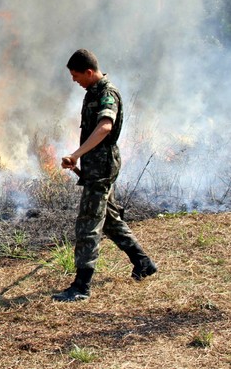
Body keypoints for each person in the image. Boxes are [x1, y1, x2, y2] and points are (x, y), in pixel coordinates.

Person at [53, 49, 157, 302]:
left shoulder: (107, 94)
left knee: (88, 223)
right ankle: (143, 263)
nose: (74, 80)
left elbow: (105, 127)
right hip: (96, 166)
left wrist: (76, 154)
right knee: (109, 220)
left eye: (76, 75)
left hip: (102, 167)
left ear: (89, 72)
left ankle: (81, 286)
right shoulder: (93, 92)